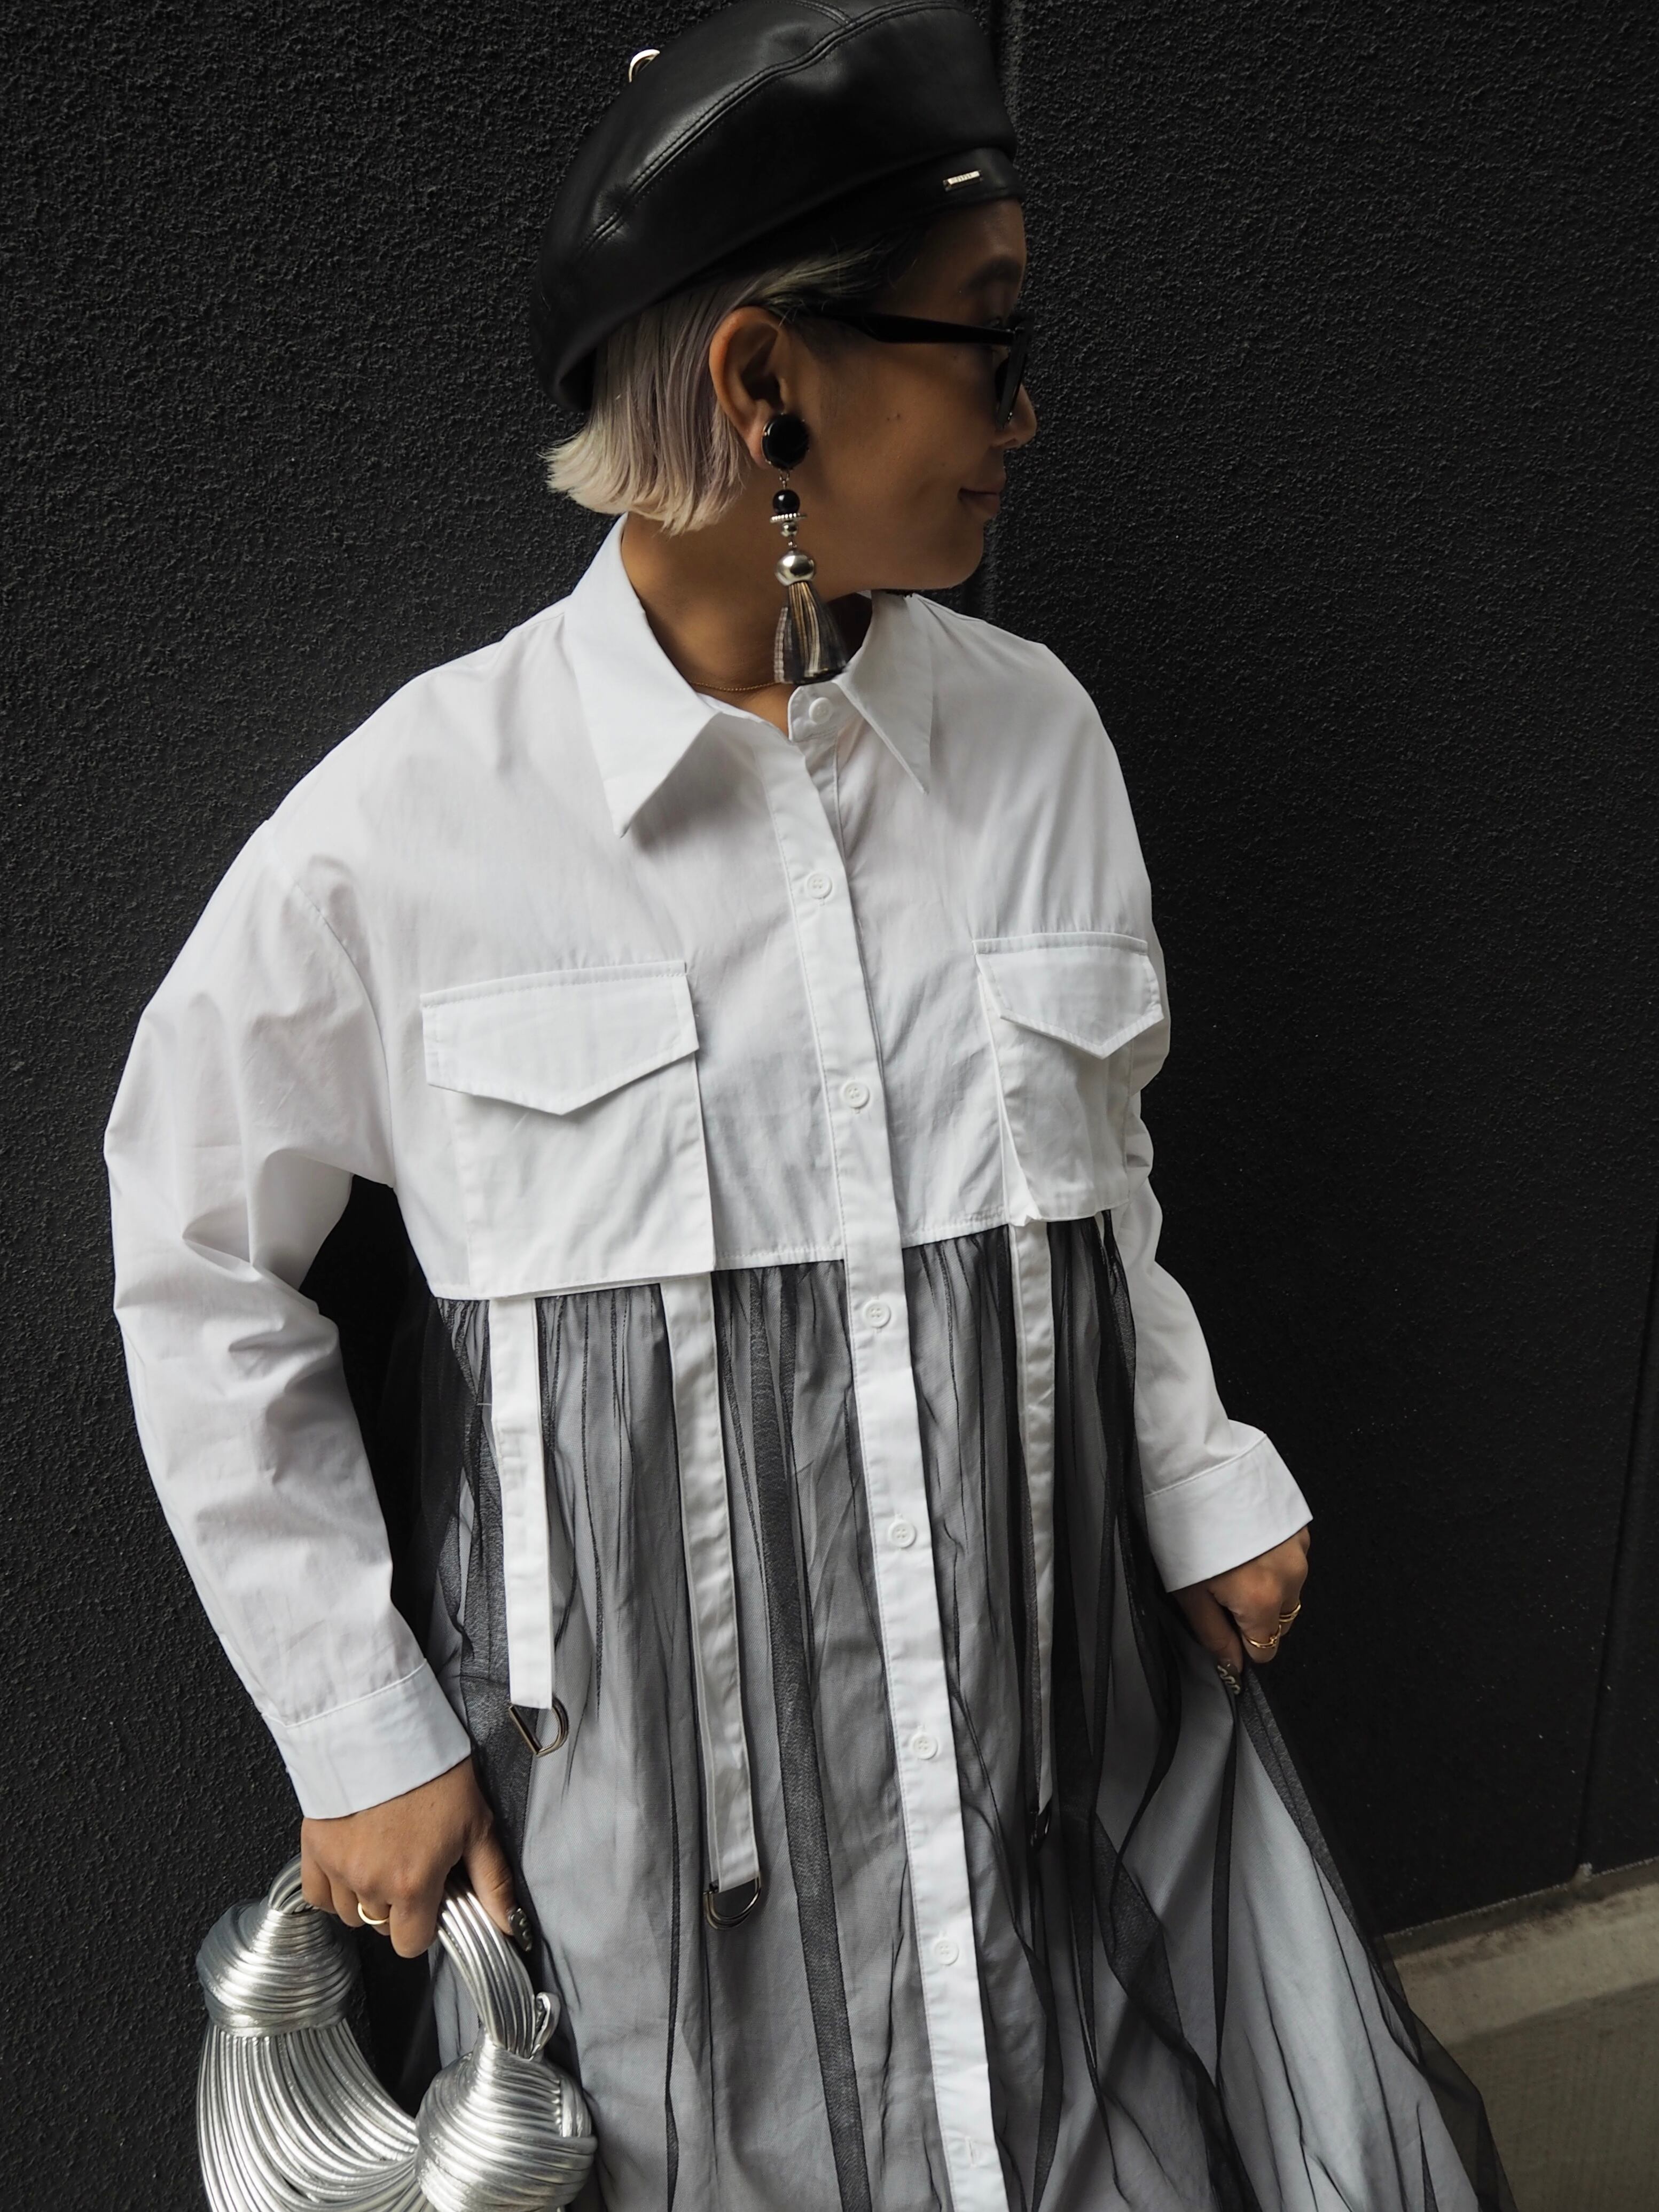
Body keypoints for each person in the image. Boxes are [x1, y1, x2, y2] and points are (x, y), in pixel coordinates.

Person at [105, 4, 1511, 2206]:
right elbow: (193, 1255)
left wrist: (1187, 1460)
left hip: (1061, 1805)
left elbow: (1096, 1183)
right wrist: (352, 1716)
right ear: (767, 385)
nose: (1025, 416)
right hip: (658, 1913)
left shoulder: (1038, 747)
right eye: (988, 340)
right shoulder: (407, 834)